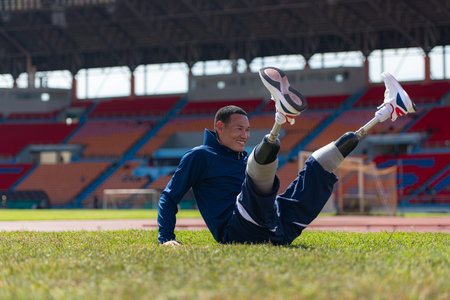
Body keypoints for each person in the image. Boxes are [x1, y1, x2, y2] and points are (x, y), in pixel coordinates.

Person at [157, 67, 416, 245]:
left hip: (274, 229)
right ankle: (278, 118)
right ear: (219, 128)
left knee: (316, 169)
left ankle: (382, 114)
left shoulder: (241, 157)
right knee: (255, 176)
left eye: (247, 130)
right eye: (239, 129)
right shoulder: (199, 156)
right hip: (236, 228)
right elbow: (169, 197)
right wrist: (166, 238)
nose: (245, 135)